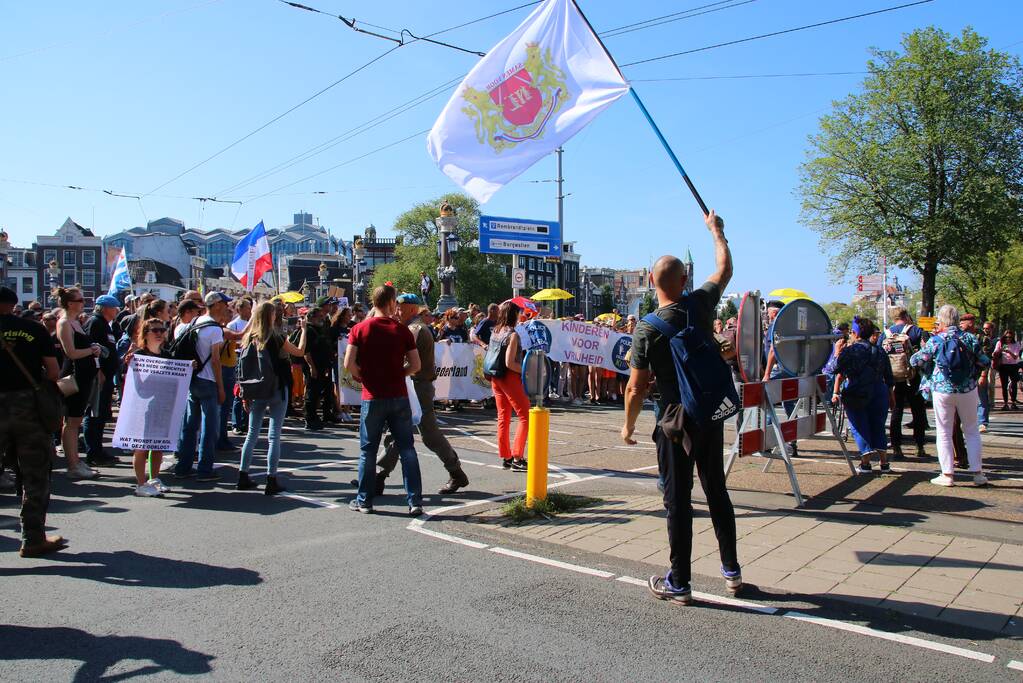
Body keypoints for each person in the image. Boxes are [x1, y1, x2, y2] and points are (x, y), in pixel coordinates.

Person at [622, 210, 741, 604]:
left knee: (677, 500)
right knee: (717, 492)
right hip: (709, 412)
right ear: (684, 280)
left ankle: (680, 582)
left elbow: (636, 388)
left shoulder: (647, 328)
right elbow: (724, 267)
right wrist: (716, 231)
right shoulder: (702, 305)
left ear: (652, 282)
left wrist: (627, 427)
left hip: (673, 420)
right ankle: (732, 572)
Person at [374, 293, 470, 496]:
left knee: (414, 432)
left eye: (401, 308)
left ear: (411, 309)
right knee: (422, 434)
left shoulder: (415, 329)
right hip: (416, 385)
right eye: (396, 307)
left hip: (416, 386)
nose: (397, 311)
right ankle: (456, 472)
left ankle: (378, 476)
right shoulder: (413, 328)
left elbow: (403, 356)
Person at [344, 285, 423, 515]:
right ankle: (414, 501)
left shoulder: (359, 328)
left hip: (372, 395)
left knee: (368, 450)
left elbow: (349, 363)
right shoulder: (402, 331)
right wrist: (400, 373)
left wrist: (362, 376)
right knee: (407, 449)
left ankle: (364, 500)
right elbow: (416, 365)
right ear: (390, 303)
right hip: (398, 395)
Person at [0, 286, 66, 557]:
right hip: (27, 407)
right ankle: (33, 538)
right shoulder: (35, 330)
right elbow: (53, 372)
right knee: (34, 474)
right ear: (14, 305)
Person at [910, 305, 989, 487]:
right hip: (968, 389)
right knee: (971, 430)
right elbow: (985, 361)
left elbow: (916, 361)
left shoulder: (936, 340)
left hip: (942, 389)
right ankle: (978, 474)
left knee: (944, 432)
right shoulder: (969, 338)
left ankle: (947, 475)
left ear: (941, 320)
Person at [236, 302, 308, 495]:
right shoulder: (276, 337)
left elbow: (243, 368)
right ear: (271, 316)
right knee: (274, 435)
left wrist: (245, 393)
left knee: (252, 433)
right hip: (276, 387)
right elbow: (299, 352)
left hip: (255, 388)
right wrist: (303, 331)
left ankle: (243, 474)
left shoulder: (248, 338)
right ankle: (271, 478)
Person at [174, 292, 228, 481]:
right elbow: (215, 360)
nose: (227, 307)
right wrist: (221, 388)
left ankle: (183, 466)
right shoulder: (214, 329)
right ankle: (205, 469)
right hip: (208, 380)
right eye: (224, 303)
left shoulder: (194, 322)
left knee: (190, 425)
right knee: (209, 427)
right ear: (217, 305)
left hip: (192, 378)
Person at [831, 317, 895, 472]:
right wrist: (891, 396)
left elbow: (833, 369)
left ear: (855, 333)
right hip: (879, 390)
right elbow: (889, 376)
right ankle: (884, 462)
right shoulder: (879, 350)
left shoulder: (851, 350)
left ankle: (865, 462)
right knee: (878, 425)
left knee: (859, 426)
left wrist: (836, 353)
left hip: (857, 390)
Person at [54, 287, 102, 480]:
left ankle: (75, 460)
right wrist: (92, 350)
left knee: (76, 420)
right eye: (80, 300)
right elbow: (71, 353)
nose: (83, 303)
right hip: (74, 376)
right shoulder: (65, 323)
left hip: (84, 375)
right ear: (70, 303)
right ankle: (72, 464)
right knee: (72, 421)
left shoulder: (76, 322)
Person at [127, 317, 176, 497]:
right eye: (155, 330)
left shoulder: (167, 355)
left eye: (162, 330)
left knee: (158, 444)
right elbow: (137, 387)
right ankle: (140, 484)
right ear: (145, 334)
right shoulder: (139, 355)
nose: (159, 334)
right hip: (143, 407)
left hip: (162, 406)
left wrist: (187, 368)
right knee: (142, 446)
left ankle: (154, 478)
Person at [488, 300, 530, 471]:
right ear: (513, 315)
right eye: (519, 313)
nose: (521, 316)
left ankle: (506, 456)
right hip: (509, 377)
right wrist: (525, 371)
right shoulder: (513, 335)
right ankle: (518, 457)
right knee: (526, 415)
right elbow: (510, 362)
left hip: (495, 377)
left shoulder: (495, 332)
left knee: (503, 416)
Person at [82, 295, 121, 467]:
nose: (116, 311)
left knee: (101, 415)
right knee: (94, 414)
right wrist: (98, 369)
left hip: (106, 377)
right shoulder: (95, 323)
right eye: (114, 308)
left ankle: (98, 450)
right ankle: (93, 452)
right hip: (98, 377)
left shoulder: (104, 324)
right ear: (105, 308)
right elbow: (91, 347)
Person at [300, 306, 334, 430]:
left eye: (322, 316)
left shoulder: (319, 329)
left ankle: (315, 416)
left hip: (322, 366)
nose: (322, 318)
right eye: (319, 316)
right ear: (312, 317)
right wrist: (311, 367)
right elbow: (306, 351)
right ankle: (310, 418)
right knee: (312, 392)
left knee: (319, 391)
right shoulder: (308, 330)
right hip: (313, 366)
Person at [225, 298, 252, 436]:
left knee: (248, 391)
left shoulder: (251, 323)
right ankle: (236, 423)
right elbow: (231, 341)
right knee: (238, 392)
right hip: (238, 359)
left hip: (250, 360)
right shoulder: (233, 324)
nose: (250, 310)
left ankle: (246, 422)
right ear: (240, 309)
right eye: (247, 308)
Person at [978, 320, 997, 432]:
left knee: (983, 394)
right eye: (984, 328)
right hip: (971, 372)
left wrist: (983, 374)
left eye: (987, 328)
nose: (985, 330)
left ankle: (983, 422)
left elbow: (986, 357)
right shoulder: (976, 337)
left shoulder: (989, 340)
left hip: (986, 369)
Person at [993, 329, 1019, 410]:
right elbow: (994, 354)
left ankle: (1013, 403)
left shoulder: (1016, 344)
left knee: (1014, 385)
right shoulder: (1000, 343)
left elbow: (1015, 357)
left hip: (1013, 366)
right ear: (1004, 337)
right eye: (1007, 337)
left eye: (1010, 337)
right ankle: (1005, 404)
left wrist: (1008, 351)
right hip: (1003, 366)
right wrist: (1000, 350)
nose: (1008, 339)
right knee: (1004, 385)